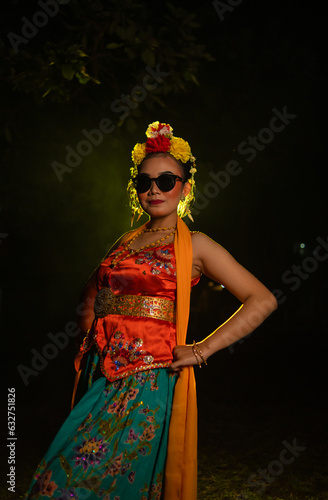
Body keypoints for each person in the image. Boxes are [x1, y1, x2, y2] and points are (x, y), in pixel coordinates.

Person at [24, 121, 277, 500]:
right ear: (135, 189)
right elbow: (92, 294)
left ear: (186, 187)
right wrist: (93, 338)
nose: (154, 189)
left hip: (148, 380)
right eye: (144, 182)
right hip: (101, 375)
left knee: (72, 485)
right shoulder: (125, 241)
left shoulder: (197, 245)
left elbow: (262, 299)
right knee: (64, 478)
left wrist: (200, 350)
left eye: (166, 181)